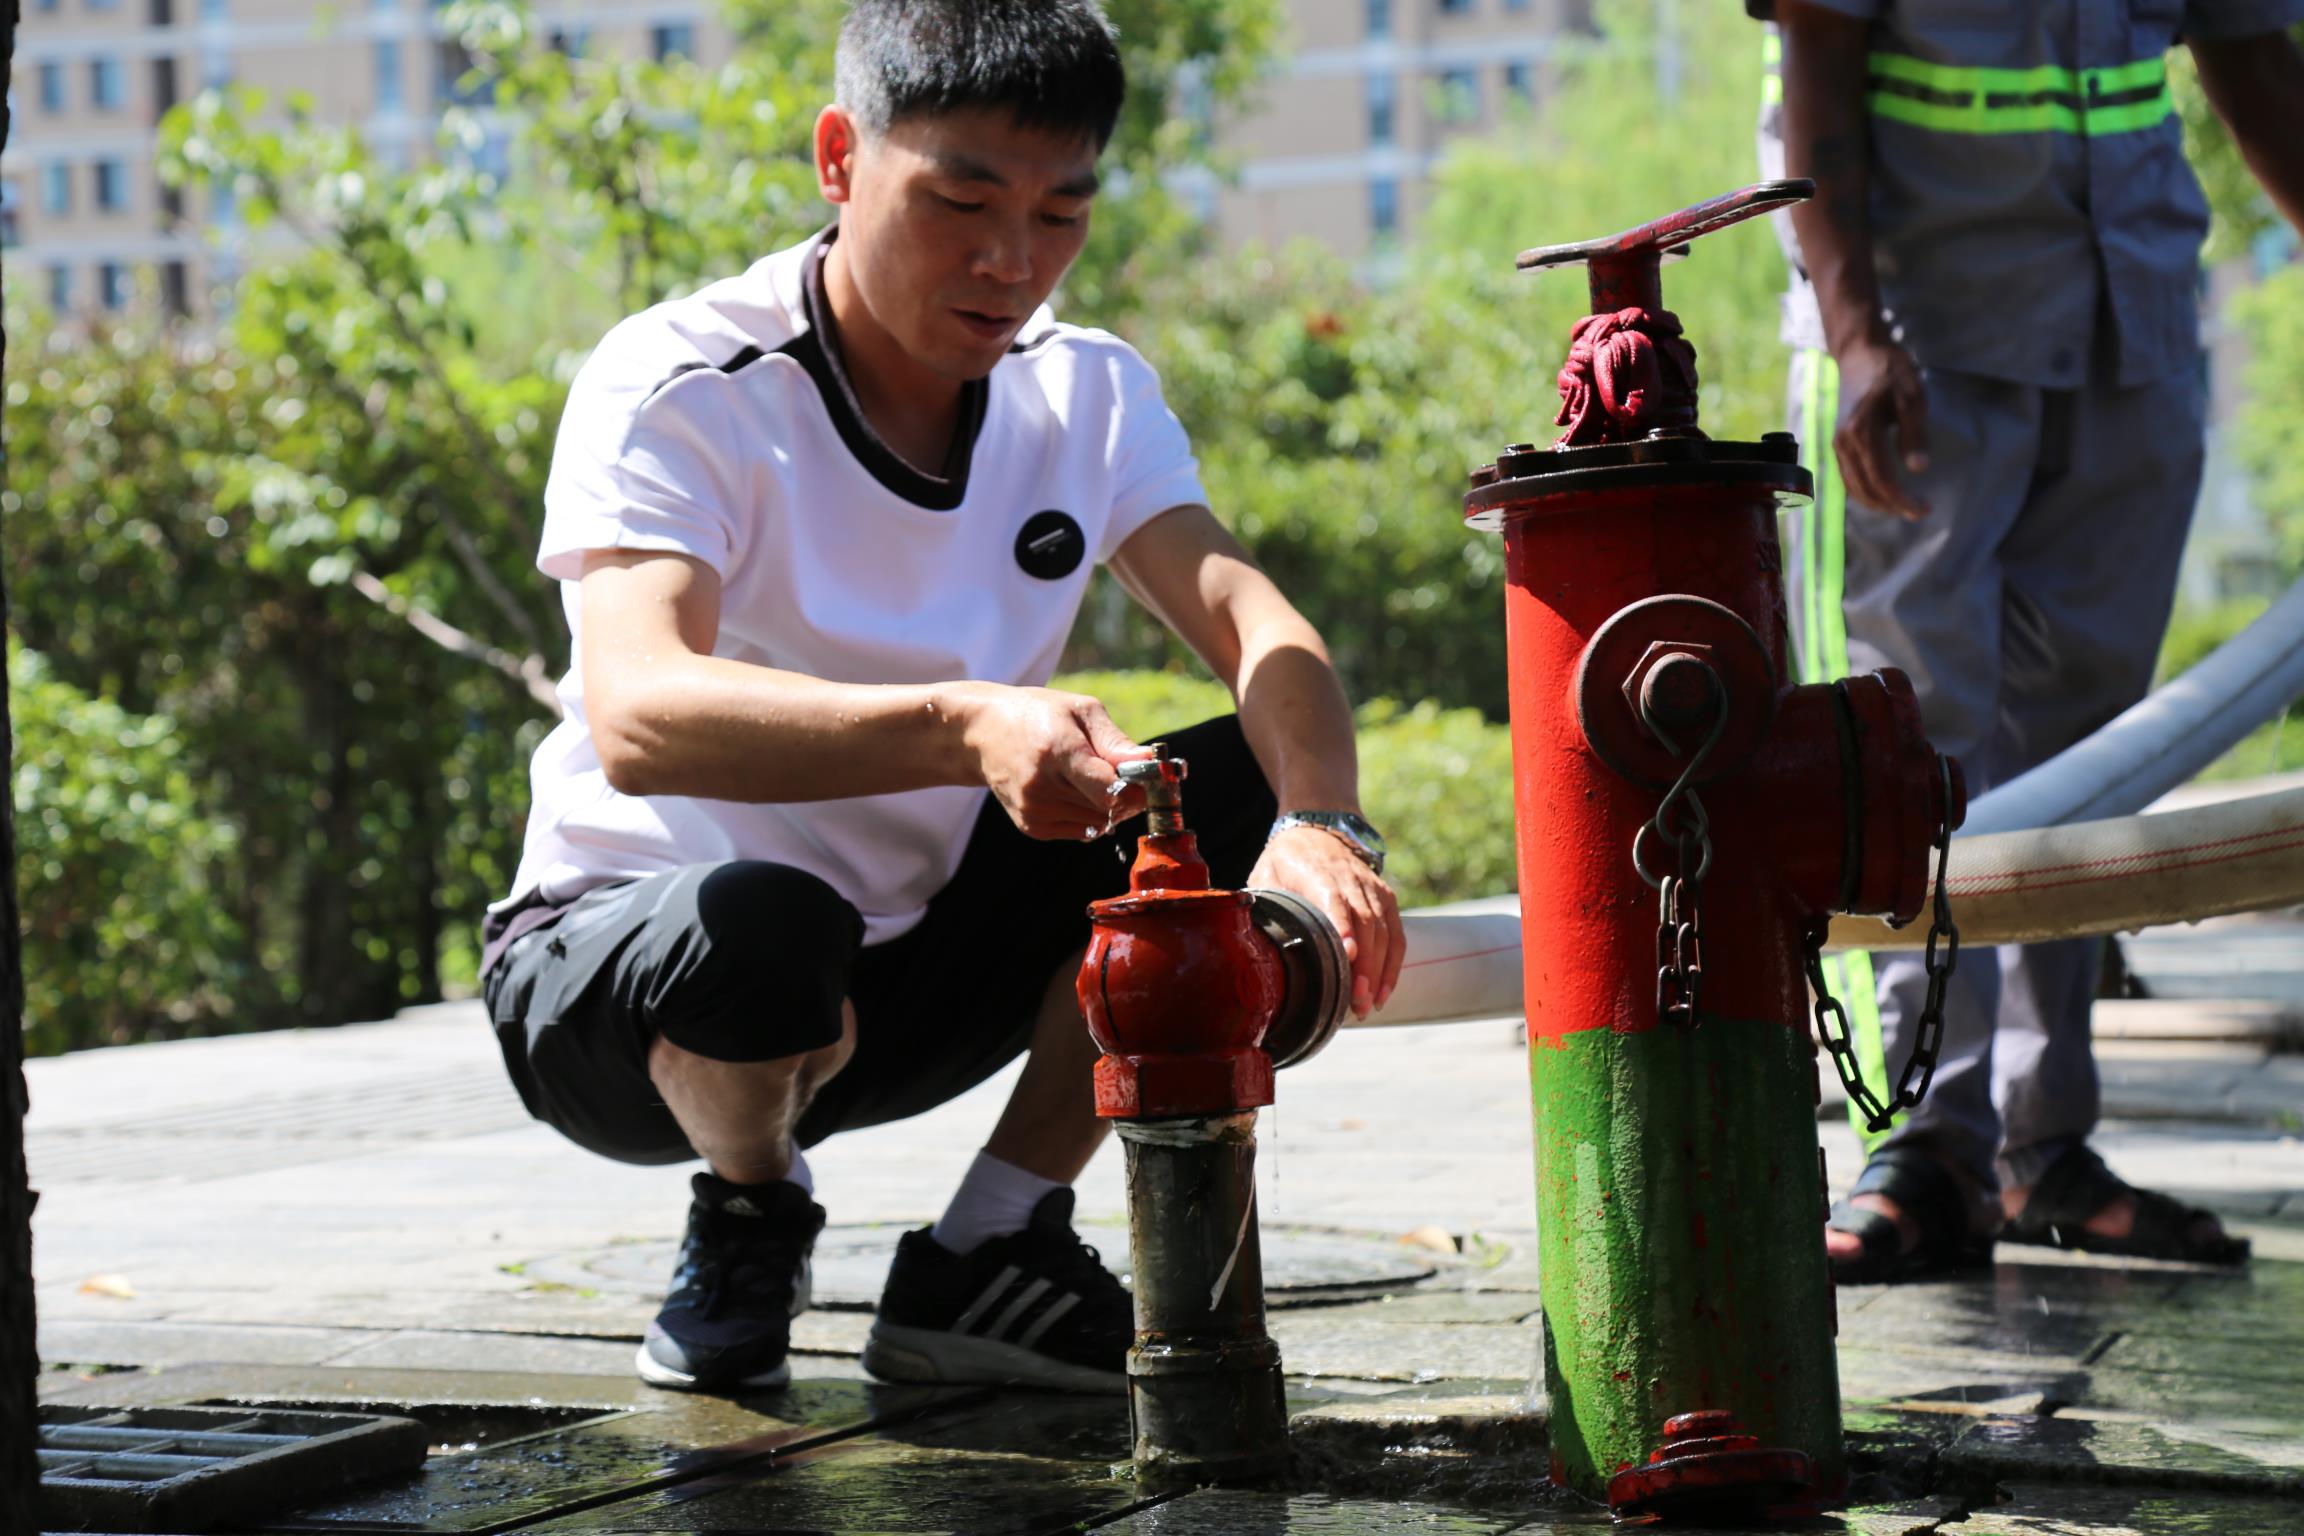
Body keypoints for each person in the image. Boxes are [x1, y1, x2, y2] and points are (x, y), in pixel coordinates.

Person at [479, 0, 1404, 1394]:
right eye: (961, 202)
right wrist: (968, 724)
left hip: (904, 980)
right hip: (625, 986)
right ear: (840, 158)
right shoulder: (682, 383)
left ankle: (989, 1245)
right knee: (769, 924)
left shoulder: (1084, 393)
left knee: (1221, 792)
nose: (1010, 261)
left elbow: (1253, 623)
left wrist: (1324, 826)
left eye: (1059, 213)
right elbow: (640, 714)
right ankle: (750, 1210)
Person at [1756, 0, 2304, 1281]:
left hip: (2131, 324)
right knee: (1909, 741)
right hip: (1918, 346)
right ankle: (1924, 1145)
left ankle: (2042, 1145)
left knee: (2097, 749)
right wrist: (1854, 334)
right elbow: (1817, 66)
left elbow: (2255, 61)